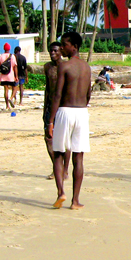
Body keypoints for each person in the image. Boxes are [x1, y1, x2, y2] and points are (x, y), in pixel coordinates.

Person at [49, 31, 92, 210]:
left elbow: (57, 94)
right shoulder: (87, 67)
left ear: (74, 46)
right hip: (82, 112)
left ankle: (61, 192)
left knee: (58, 154)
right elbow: (89, 93)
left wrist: (50, 121)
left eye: (65, 44)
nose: (62, 48)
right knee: (78, 157)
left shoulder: (64, 66)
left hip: (65, 111)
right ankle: (75, 201)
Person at [42, 41, 69, 181]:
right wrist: (45, 108)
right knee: (49, 139)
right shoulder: (47, 67)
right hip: (50, 107)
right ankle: (56, 168)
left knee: (65, 141)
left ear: (61, 51)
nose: (52, 53)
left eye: (55, 51)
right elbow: (48, 89)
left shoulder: (66, 67)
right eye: (51, 51)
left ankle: (65, 170)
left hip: (64, 107)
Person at [0, 43, 18, 109]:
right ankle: (11, 98)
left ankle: (7, 106)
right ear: (9, 48)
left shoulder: (1, 57)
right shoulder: (12, 56)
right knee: (15, 87)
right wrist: (16, 76)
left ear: (4, 49)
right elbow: (15, 67)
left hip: (3, 76)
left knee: (6, 90)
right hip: (11, 76)